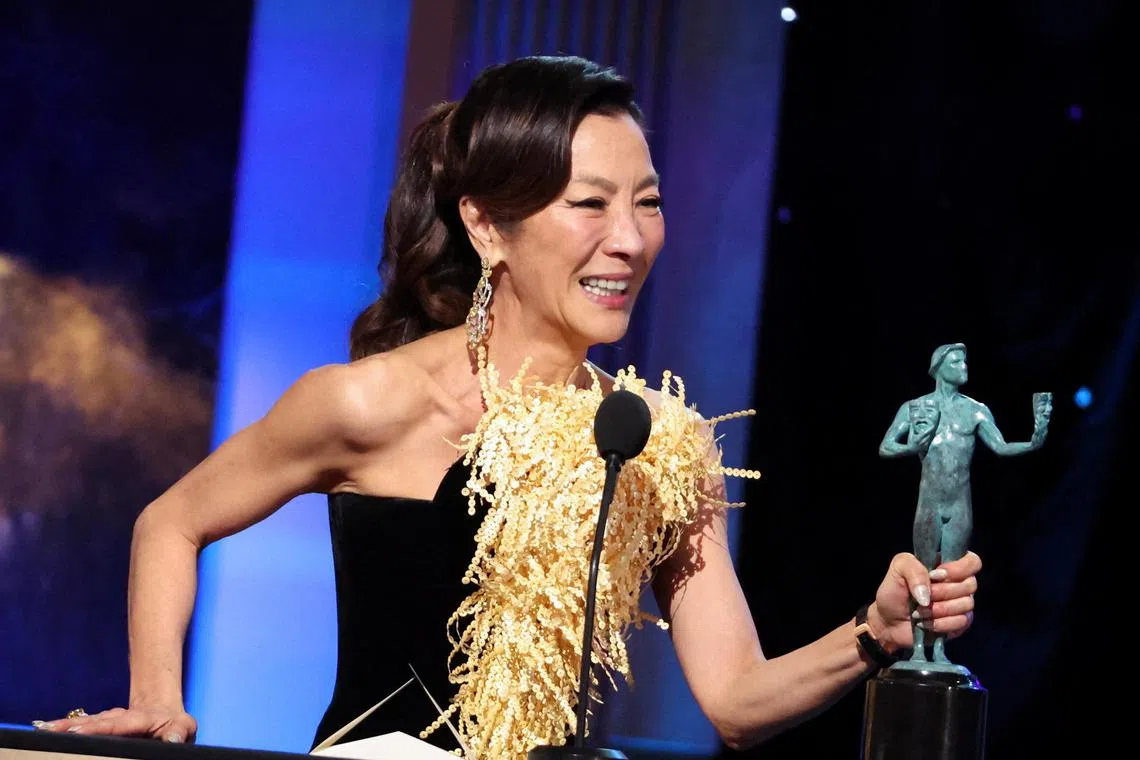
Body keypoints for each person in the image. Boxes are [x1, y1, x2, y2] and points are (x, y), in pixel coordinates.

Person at [35, 56, 981, 757]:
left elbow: (734, 698)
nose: (627, 240)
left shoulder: (661, 446)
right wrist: (158, 699)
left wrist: (873, 632)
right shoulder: (373, 402)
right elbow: (171, 521)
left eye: (646, 204)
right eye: (590, 205)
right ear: (487, 224)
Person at [879, 343, 1048, 667]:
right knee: (923, 574)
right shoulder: (917, 407)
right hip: (929, 503)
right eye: (956, 360)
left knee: (948, 578)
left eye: (965, 361)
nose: (964, 366)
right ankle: (917, 648)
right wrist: (913, 445)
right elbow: (886, 446)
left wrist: (1034, 439)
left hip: (959, 504)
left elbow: (1000, 446)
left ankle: (939, 649)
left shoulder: (976, 410)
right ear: (939, 366)